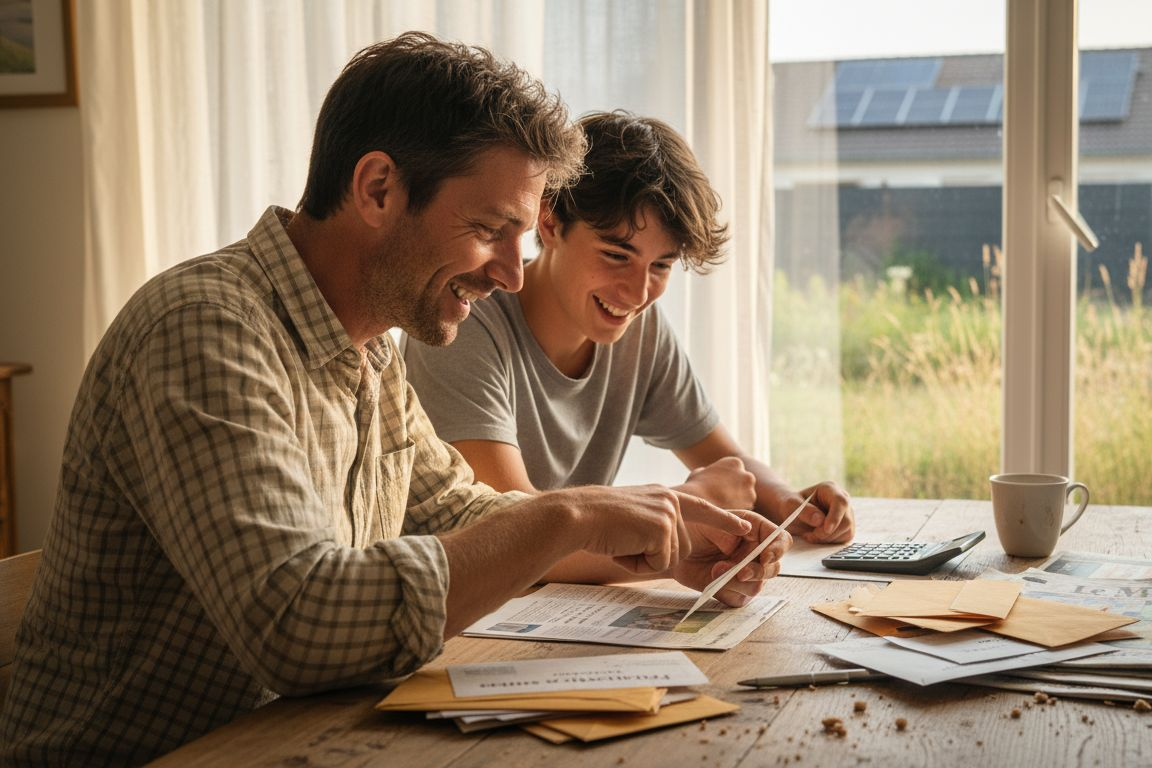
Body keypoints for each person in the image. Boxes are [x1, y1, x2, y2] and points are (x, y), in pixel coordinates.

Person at [0, 35, 785, 766]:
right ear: (377, 188)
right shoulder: (204, 330)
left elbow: (462, 511)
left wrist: (650, 535)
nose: (513, 273)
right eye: (490, 229)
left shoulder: (368, 349)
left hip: (293, 739)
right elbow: (297, 621)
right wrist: (569, 516)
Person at [403, 111, 855, 590]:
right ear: (551, 220)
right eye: (617, 255)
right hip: (450, 613)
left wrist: (791, 504)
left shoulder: (638, 330)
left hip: (551, 614)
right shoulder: (465, 323)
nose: (637, 292)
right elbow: (505, 537)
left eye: (661, 265)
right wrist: (679, 515)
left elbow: (729, 463)